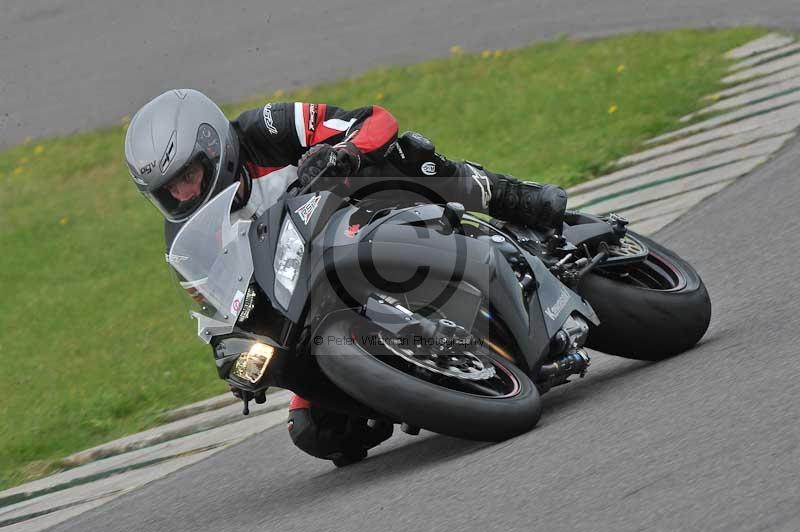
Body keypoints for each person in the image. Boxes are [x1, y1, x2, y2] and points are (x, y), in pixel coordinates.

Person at [124, 88, 567, 466]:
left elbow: (375, 120)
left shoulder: (268, 128)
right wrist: (236, 353)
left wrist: (342, 152)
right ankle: (420, 385)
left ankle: (509, 195)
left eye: (187, 175)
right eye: (168, 190)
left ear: (214, 148)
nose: (181, 193)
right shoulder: (184, 238)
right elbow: (225, 306)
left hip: (362, 215)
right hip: (308, 294)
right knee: (315, 430)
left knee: (401, 155)